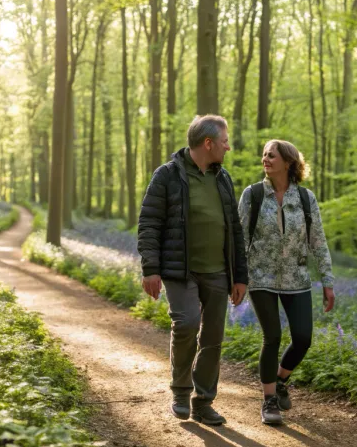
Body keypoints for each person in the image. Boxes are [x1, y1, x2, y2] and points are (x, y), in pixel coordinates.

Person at [137, 115, 248, 426]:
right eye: (225, 141)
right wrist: (150, 268)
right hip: (179, 271)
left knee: (213, 337)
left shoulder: (223, 178)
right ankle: (181, 391)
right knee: (186, 323)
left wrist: (240, 276)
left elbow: (235, 230)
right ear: (208, 143)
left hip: (218, 272)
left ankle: (204, 401)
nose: (229, 146)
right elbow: (149, 223)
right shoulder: (167, 176)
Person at [238, 139, 335, 426]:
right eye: (264, 154)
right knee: (272, 336)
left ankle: (281, 380)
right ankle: (269, 401)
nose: (265, 159)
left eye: (272, 155)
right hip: (261, 277)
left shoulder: (306, 199)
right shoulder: (253, 195)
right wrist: (239, 278)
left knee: (303, 338)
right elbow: (241, 238)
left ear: (289, 162)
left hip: (297, 277)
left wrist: (327, 281)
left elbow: (318, 241)